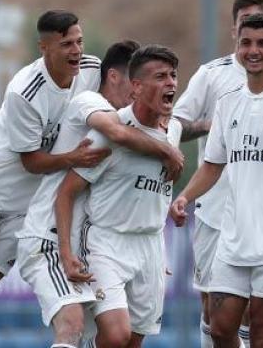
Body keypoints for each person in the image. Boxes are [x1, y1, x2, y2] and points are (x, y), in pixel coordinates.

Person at [0, 10, 176, 348]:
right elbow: (31, 162)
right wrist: (164, 152)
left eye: (79, 42)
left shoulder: (91, 71)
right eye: (66, 44)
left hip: (26, 205)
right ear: (44, 47)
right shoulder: (25, 91)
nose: (76, 51)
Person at [170, 14, 263, 348]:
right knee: (220, 327)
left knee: (260, 332)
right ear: (237, 46)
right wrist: (185, 197)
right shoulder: (227, 103)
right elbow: (212, 165)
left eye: (262, 44)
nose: (253, 51)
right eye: (246, 43)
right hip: (232, 238)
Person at [17, 40, 182, 348]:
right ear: (136, 85)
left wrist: (172, 213)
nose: (170, 83)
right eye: (160, 76)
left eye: (173, 75)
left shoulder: (175, 130)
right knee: (115, 334)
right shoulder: (110, 132)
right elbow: (65, 194)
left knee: (132, 341)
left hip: (150, 246)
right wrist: (66, 253)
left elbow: (153, 191)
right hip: (107, 243)